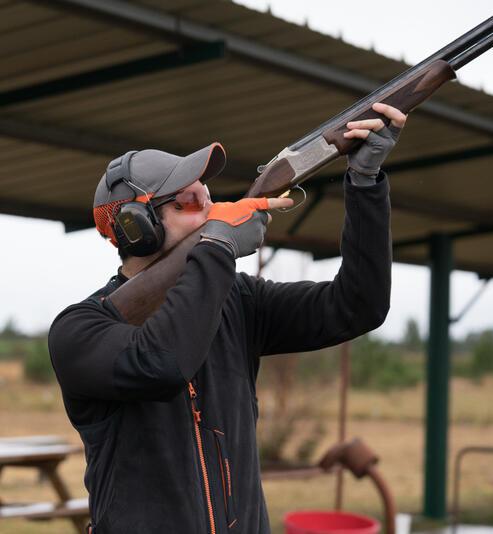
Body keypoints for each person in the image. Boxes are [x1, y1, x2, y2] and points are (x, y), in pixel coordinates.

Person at [49, 102, 406, 534]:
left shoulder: (237, 298)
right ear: (135, 226)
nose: (210, 208)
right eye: (189, 200)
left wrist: (365, 182)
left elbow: (358, 306)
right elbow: (162, 362)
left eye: (207, 197)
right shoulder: (79, 331)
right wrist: (217, 247)